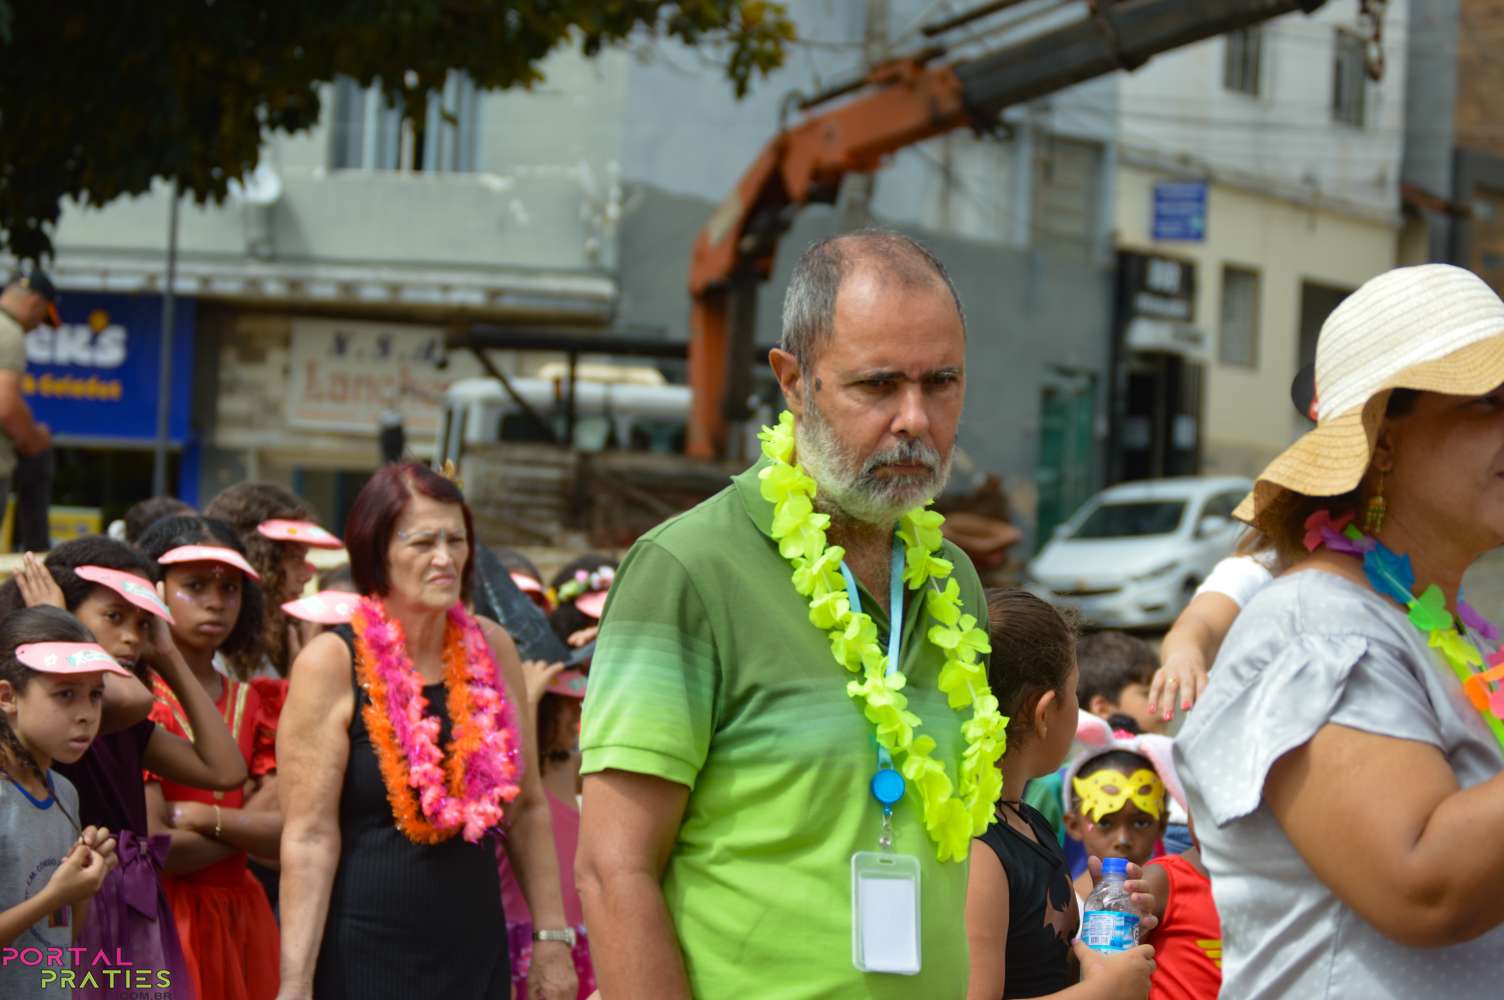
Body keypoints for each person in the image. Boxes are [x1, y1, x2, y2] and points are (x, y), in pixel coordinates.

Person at [577, 230, 1000, 998]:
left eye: (941, 382)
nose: (914, 418)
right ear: (794, 382)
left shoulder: (953, 584)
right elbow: (614, 869)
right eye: (878, 385)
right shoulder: (687, 570)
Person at [1176, 263, 1504, 998]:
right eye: (1488, 401)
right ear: (1381, 439)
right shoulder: (1318, 629)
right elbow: (1423, 884)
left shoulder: (1442, 627)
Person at [274, 462, 575, 1000]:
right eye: (422, 542)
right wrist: (294, 983)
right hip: (363, 956)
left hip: (473, 953)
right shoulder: (331, 662)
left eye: (455, 540)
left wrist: (552, 940)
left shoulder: (492, 648)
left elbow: (527, 807)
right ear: (377, 552)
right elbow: (309, 836)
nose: (444, 558)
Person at [6, 538, 250, 1000]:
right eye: (114, 617)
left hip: (130, 906)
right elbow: (135, 699)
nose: (134, 638)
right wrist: (59, 628)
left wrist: (168, 654)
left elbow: (224, 769)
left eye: (143, 622)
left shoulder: (113, 724)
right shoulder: (66, 721)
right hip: (72, 908)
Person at [966, 589, 1156, 1000]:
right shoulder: (979, 848)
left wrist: (1102, 914)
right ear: (1043, 712)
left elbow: (1043, 953)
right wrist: (1107, 990)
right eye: (1076, 692)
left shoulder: (1027, 822)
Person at [137, 516, 281, 1000]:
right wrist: (245, 830)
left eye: (229, 587)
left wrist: (199, 818)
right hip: (160, 919)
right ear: (155, 590)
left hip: (243, 919)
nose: (216, 601)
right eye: (195, 586)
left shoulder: (258, 702)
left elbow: (287, 835)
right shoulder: (134, 702)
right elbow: (158, 850)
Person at [0, 606, 122, 996]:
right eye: (65, 694)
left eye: (95, 695)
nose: (86, 714)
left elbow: (60, 938)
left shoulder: (64, 792)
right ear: (7, 696)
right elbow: (52, 903)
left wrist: (84, 879)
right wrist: (55, 895)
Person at [501, 663, 595, 998]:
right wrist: (525, 698)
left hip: (570, 937)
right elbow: (523, 788)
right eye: (564, 707)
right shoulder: (512, 774)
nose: (576, 717)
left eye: (579, 705)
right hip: (524, 940)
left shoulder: (567, 766)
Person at [205, 483, 344, 680]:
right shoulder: (211, 652)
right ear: (258, 561)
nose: (307, 574)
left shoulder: (269, 643)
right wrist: (303, 678)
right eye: (294, 558)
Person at [1136, 753, 1221, 1000]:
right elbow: (1115, 974)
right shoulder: (1160, 880)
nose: (1219, 822)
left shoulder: (1279, 884)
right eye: (1202, 805)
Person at [1062, 721, 1171, 903]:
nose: (1123, 840)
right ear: (1074, 825)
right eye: (1105, 822)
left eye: (1140, 822)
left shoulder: (1176, 905)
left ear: (1161, 825)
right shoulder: (1063, 911)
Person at [0, 268, 57, 549]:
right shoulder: (8, 333)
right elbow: (6, 406)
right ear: (35, 302)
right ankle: (38, 551)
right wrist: (34, 440)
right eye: (41, 318)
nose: (36, 327)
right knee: (40, 456)